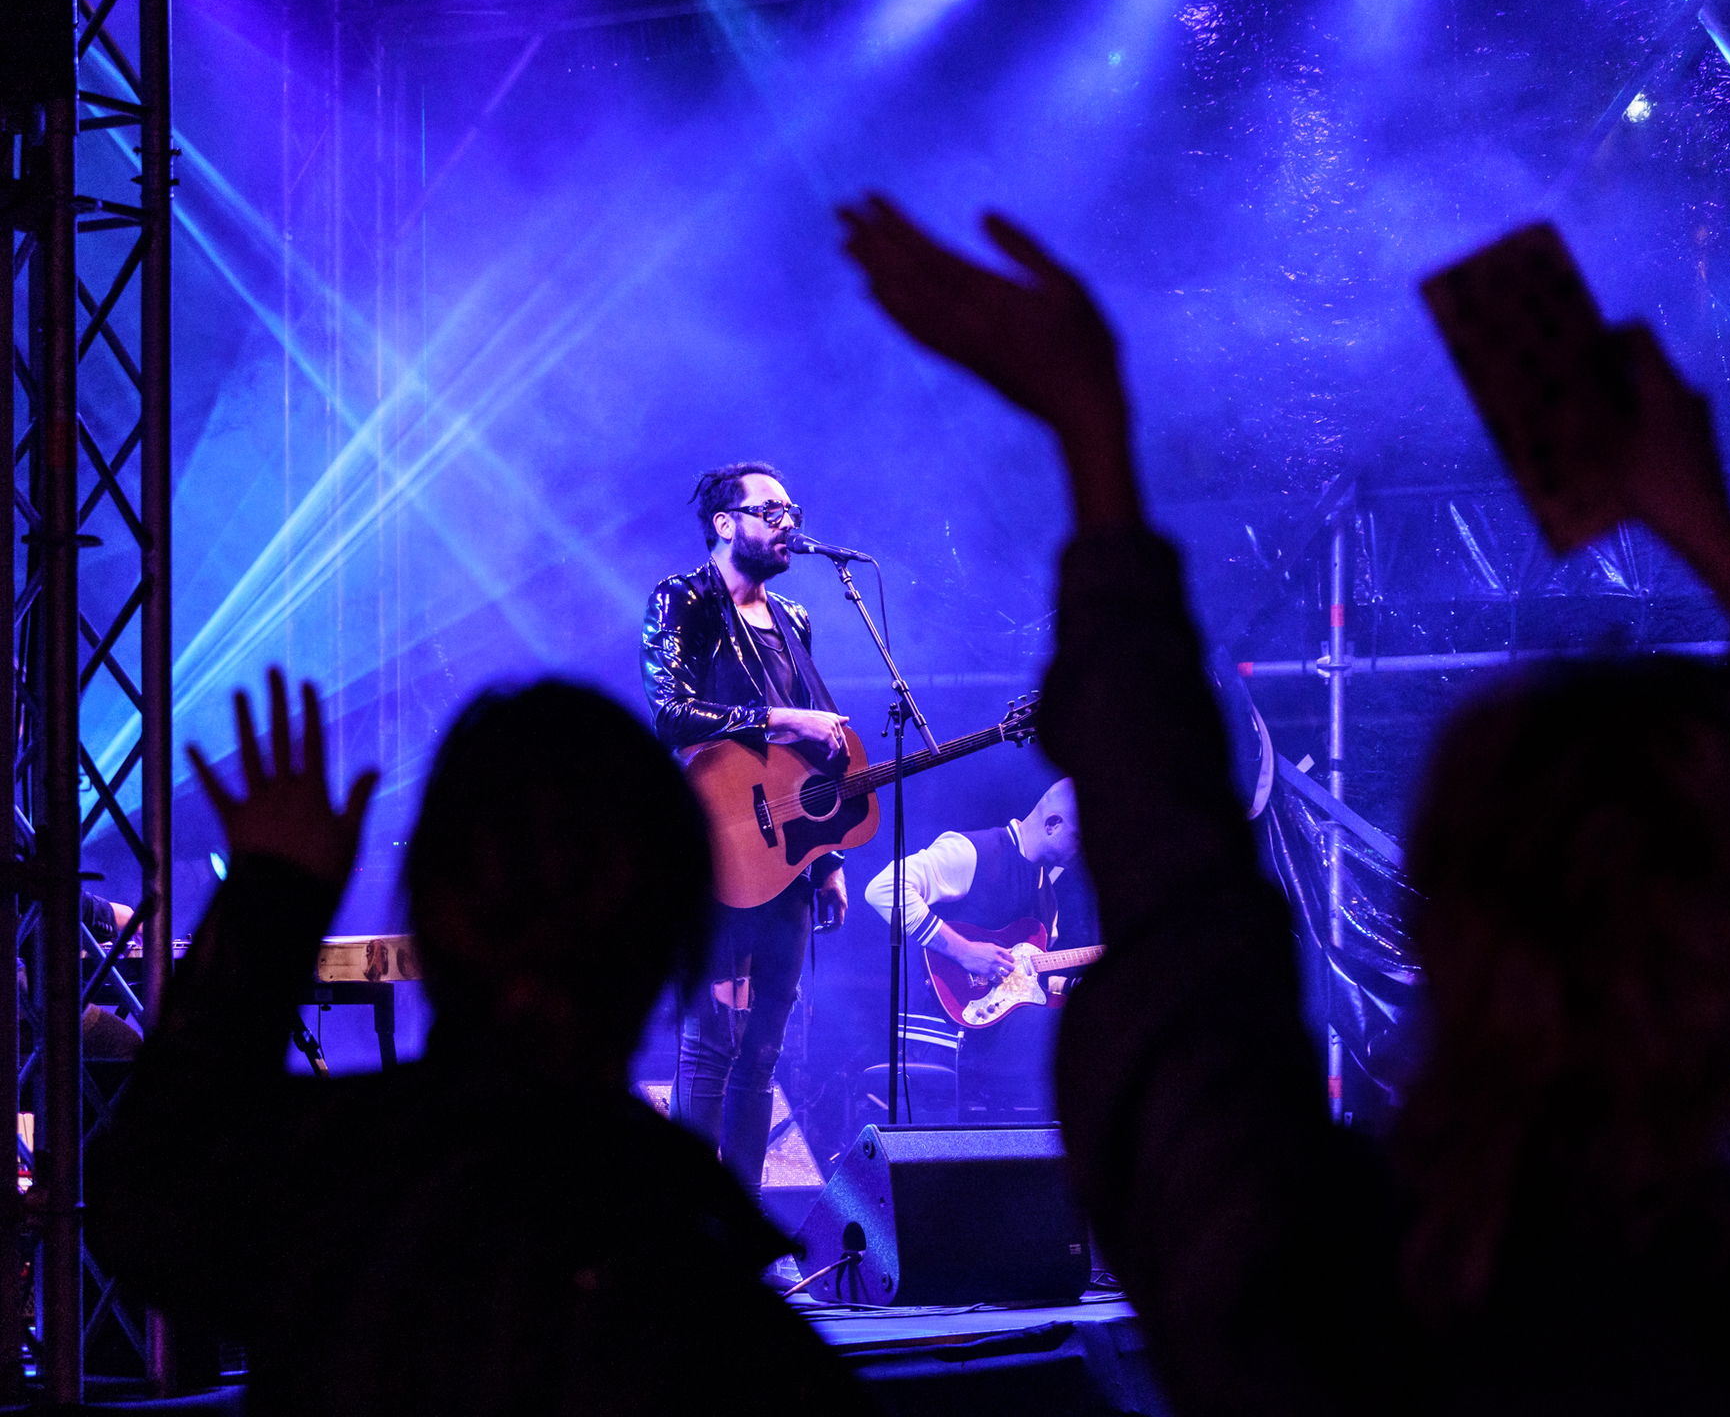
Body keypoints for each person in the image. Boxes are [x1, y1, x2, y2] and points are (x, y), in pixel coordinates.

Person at [840, 195, 1730, 1412]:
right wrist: (1717, 542)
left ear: (1443, 933)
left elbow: (1188, 947)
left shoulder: (1308, 1295)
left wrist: (1095, 442)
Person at [89, 674, 878, 1416]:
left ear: (432, 915)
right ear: (677, 938)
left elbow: (146, 1199)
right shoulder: (723, 1318)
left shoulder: (332, 1182)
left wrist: (275, 896)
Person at [642, 463, 851, 1194]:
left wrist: (826, 858)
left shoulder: (794, 620)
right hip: (710, 847)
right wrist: (777, 718)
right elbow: (669, 713)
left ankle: (741, 1229)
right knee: (709, 1044)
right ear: (726, 522)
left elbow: (807, 757)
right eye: (771, 510)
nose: (787, 521)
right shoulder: (683, 600)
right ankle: (690, 1227)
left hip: (786, 855)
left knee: (764, 1048)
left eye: (792, 509)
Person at [862, 779, 1083, 1120]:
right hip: (945, 1032)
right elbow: (883, 888)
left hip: (1000, 1042)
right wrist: (964, 951)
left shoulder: (1049, 897)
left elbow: (1024, 983)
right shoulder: (972, 851)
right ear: (1053, 824)